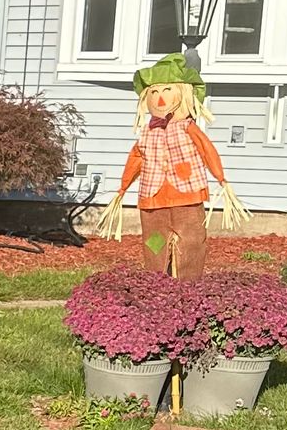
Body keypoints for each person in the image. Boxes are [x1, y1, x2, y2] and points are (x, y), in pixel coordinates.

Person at [97, 54, 249, 276]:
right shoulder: (147, 132)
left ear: (183, 93)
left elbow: (207, 150)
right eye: (154, 92)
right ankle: (157, 280)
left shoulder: (188, 127)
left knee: (191, 240)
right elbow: (136, 158)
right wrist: (123, 188)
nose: (160, 98)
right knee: (154, 241)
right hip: (152, 197)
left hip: (187, 195)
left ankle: (188, 284)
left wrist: (221, 179)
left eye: (167, 90)